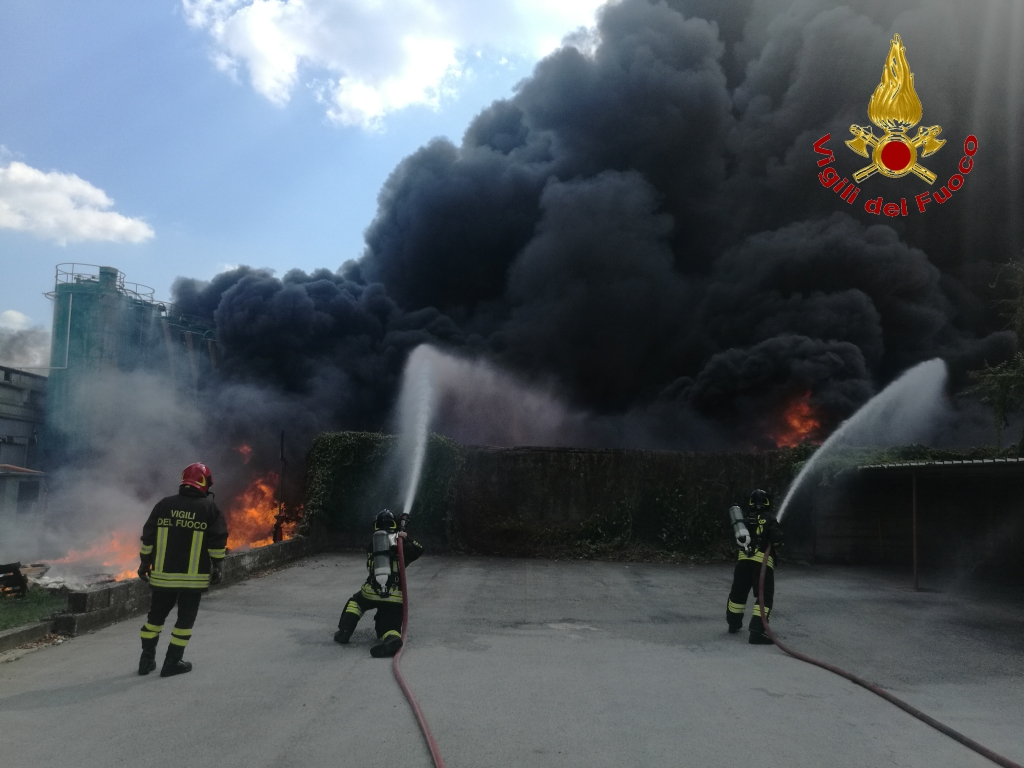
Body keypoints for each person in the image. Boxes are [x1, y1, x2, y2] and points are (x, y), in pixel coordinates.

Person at [137, 462, 229, 677]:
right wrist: (218, 566)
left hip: (162, 577)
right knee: (184, 623)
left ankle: (146, 661)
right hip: (192, 581)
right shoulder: (210, 509)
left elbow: (148, 538)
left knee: (154, 620)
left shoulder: (163, 505)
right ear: (204, 483)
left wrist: (144, 563)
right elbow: (217, 542)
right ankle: (172, 662)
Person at [334, 509, 423, 658]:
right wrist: (405, 539)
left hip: (371, 591)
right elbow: (419, 550)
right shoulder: (400, 544)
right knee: (390, 623)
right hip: (394, 596)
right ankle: (391, 638)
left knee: (356, 603)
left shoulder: (373, 544)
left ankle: (345, 631)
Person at [726, 489, 783, 645]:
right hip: (761, 565)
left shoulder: (744, 518)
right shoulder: (769, 518)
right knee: (764, 597)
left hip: (743, 563)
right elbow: (777, 540)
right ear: (767, 502)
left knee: (738, 594)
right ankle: (757, 631)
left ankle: (733, 623)